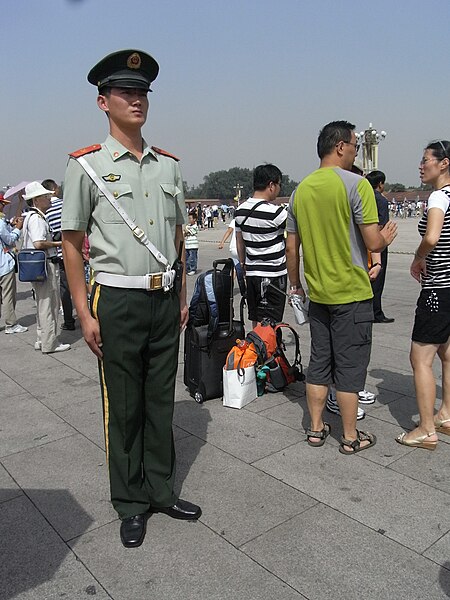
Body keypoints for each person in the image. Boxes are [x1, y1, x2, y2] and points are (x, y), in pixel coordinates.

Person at [61, 49, 201, 548]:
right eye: (125, 92)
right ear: (103, 102)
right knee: (123, 406)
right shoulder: (86, 167)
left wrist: (182, 295)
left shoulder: (168, 167)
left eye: (142, 92)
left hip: (164, 301)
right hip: (116, 302)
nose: (137, 100)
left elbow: (182, 237)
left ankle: (161, 489)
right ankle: (130, 501)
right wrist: (83, 310)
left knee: (160, 400)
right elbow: (73, 245)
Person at [286, 120, 397, 454]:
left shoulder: (300, 190)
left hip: (318, 295)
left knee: (320, 363)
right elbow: (371, 238)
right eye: (355, 145)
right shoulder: (356, 185)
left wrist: (296, 286)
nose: (356, 151)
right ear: (340, 147)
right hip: (351, 294)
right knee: (349, 366)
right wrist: (385, 238)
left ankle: (316, 429)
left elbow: (292, 248)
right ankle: (350, 436)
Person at [396, 140, 450, 450]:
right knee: (447, 354)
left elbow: (432, 236)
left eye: (425, 159)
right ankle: (445, 414)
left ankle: (426, 428)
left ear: (444, 163)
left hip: (437, 289)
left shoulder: (438, 197)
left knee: (420, 359)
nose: (420, 165)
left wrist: (419, 258)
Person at [235, 164, 287, 327]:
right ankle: (268, 352)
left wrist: (243, 264)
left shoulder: (240, 211)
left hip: (252, 273)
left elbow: (239, 241)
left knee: (256, 320)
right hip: (273, 275)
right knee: (272, 323)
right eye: (279, 185)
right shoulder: (277, 213)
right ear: (271, 185)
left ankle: (255, 350)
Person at [21, 182, 71, 353]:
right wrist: (58, 243)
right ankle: (50, 342)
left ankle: (42, 339)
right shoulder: (37, 218)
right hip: (46, 264)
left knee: (43, 303)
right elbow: (38, 243)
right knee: (49, 304)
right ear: (36, 200)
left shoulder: (30, 216)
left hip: (38, 266)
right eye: (45, 196)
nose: (49, 199)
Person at [43, 179, 76, 330]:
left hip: (60, 255)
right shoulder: (67, 204)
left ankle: (69, 322)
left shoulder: (46, 211)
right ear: (55, 189)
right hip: (76, 251)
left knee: (65, 289)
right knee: (84, 285)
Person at [365, 170, 394, 324]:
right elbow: (382, 225)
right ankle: (377, 312)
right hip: (378, 243)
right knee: (378, 278)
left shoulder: (365, 197)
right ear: (380, 184)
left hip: (364, 243)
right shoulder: (381, 201)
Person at [0, 193, 28, 334]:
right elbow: (10, 240)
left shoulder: (2, 221)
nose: (3, 208)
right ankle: (10, 324)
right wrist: (18, 229)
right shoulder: (0, 222)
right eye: (2, 205)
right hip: (4, 265)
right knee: (8, 297)